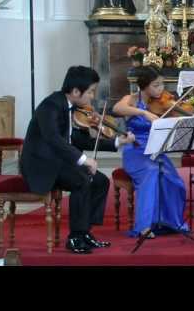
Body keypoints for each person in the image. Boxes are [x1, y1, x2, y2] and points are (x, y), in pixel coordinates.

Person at [20, 66, 136, 254]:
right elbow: (52, 138)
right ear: (75, 91)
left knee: (100, 181)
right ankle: (74, 237)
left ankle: (84, 232)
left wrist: (117, 141)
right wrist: (84, 160)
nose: (92, 97)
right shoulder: (50, 105)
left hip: (59, 162)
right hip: (41, 165)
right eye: (90, 92)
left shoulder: (71, 108)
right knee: (82, 179)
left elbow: (79, 140)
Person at [112, 66, 194, 238]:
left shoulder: (165, 103)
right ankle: (144, 226)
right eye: (156, 85)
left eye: (162, 84)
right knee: (151, 172)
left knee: (175, 182)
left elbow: (191, 117)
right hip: (136, 151)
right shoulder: (132, 99)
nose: (161, 89)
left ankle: (168, 222)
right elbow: (117, 109)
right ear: (144, 86)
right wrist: (144, 113)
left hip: (156, 151)